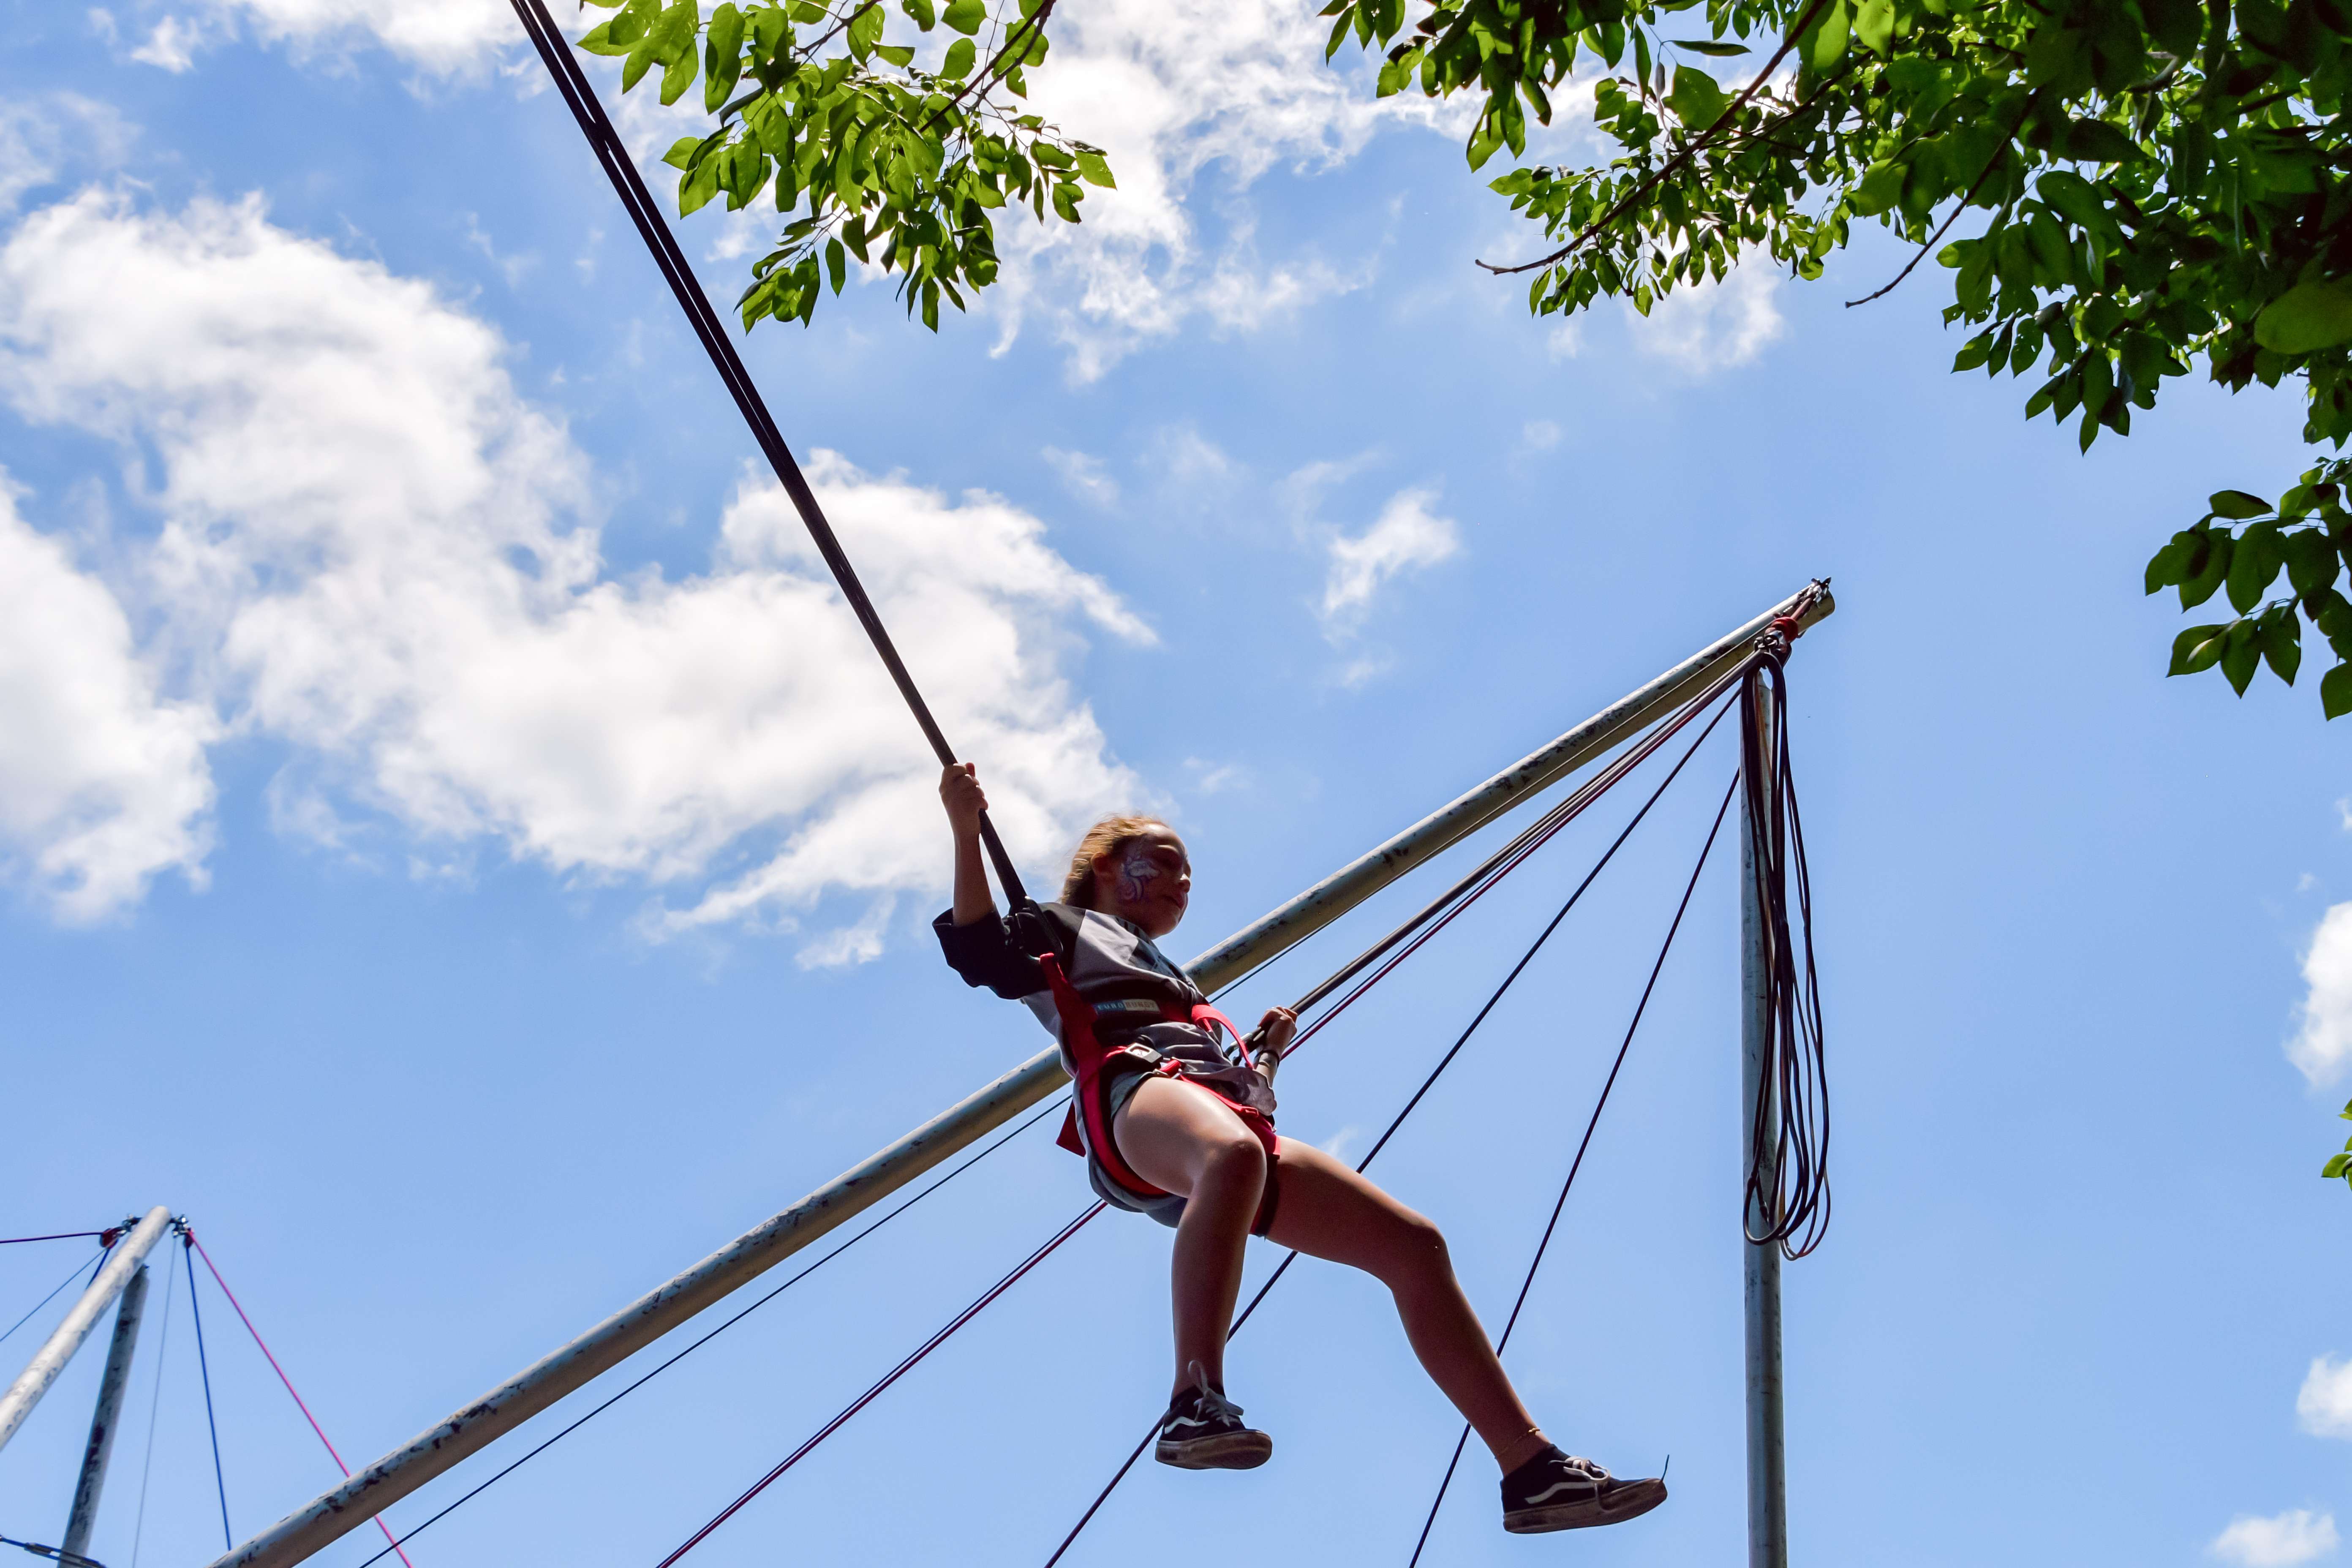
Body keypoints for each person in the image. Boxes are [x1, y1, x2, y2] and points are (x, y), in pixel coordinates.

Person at [932, 764, 1666, 1535]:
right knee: (1234, 1158)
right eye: (1167, 861)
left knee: (1414, 1246)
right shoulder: (1058, 926)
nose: (1184, 880)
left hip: (1215, 1110)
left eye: (1188, 868)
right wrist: (962, 825)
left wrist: (1265, 1052)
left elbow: (1235, 1093)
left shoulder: (1169, 972)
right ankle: (1193, 1403)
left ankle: (1532, 1470)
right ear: (1110, 867)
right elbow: (981, 952)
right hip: (1135, 1094)